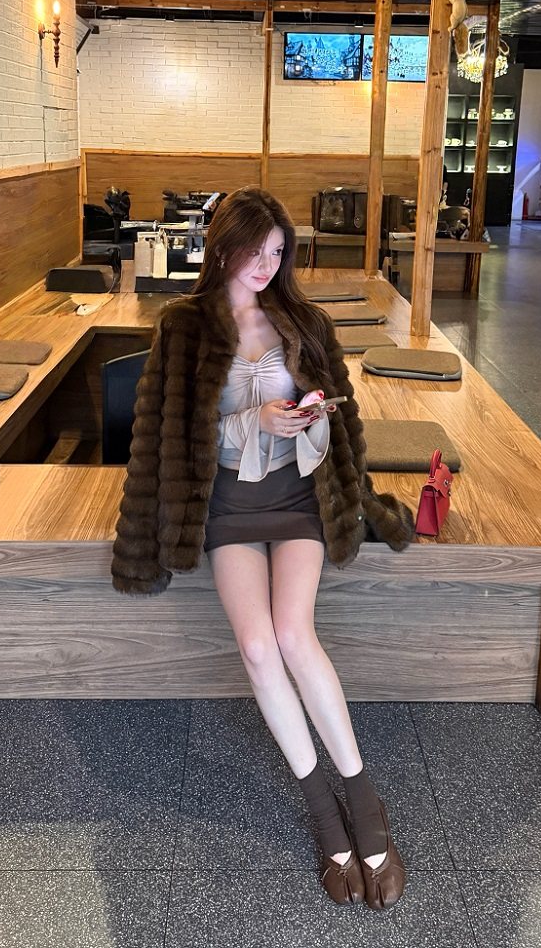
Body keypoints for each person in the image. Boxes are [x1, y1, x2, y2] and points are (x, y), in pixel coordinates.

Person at [112, 186, 415, 909]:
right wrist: (253, 422)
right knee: (255, 646)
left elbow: (345, 420)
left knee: (292, 634)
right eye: (254, 250)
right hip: (225, 504)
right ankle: (324, 814)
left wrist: (312, 417)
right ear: (223, 248)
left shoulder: (303, 320)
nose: (265, 265)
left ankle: (363, 800)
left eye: (277, 253)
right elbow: (166, 434)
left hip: (299, 497)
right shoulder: (183, 327)